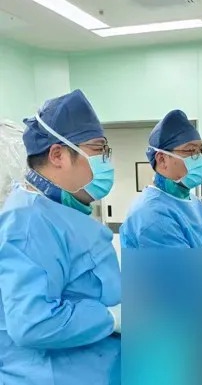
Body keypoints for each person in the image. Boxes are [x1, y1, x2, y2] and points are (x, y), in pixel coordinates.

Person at [0, 90, 121, 385]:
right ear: (57, 155)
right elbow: (33, 323)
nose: (106, 161)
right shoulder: (28, 221)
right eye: (98, 149)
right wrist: (110, 316)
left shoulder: (60, 212)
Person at [120, 109, 202, 249]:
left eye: (200, 150)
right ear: (162, 159)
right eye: (191, 151)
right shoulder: (153, 215)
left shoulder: (193, 203)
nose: (199, 158)